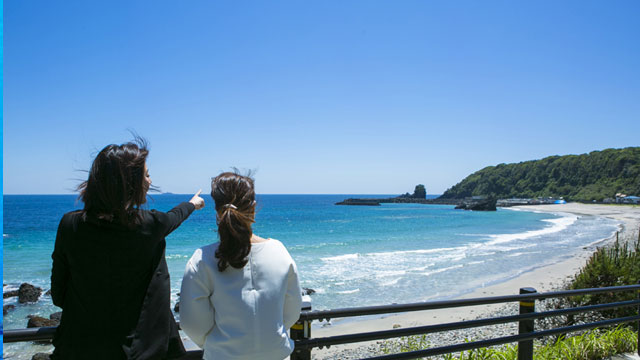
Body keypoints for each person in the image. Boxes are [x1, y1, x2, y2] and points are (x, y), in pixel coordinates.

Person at [50, 138, 205, 360]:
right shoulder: (148, 225)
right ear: (129, 182)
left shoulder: (70, 224)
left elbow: (58, 294)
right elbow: (174, 217)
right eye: (146, 174)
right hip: (141, 350)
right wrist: (193, 203)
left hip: (78, 347)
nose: (150, 181)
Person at [180, 172, 302, 360]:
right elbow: (291, 311)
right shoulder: (279, 251)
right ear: (253, 210)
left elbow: (192, 323)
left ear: (218, 212)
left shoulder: (202, 259)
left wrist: (218, 343)